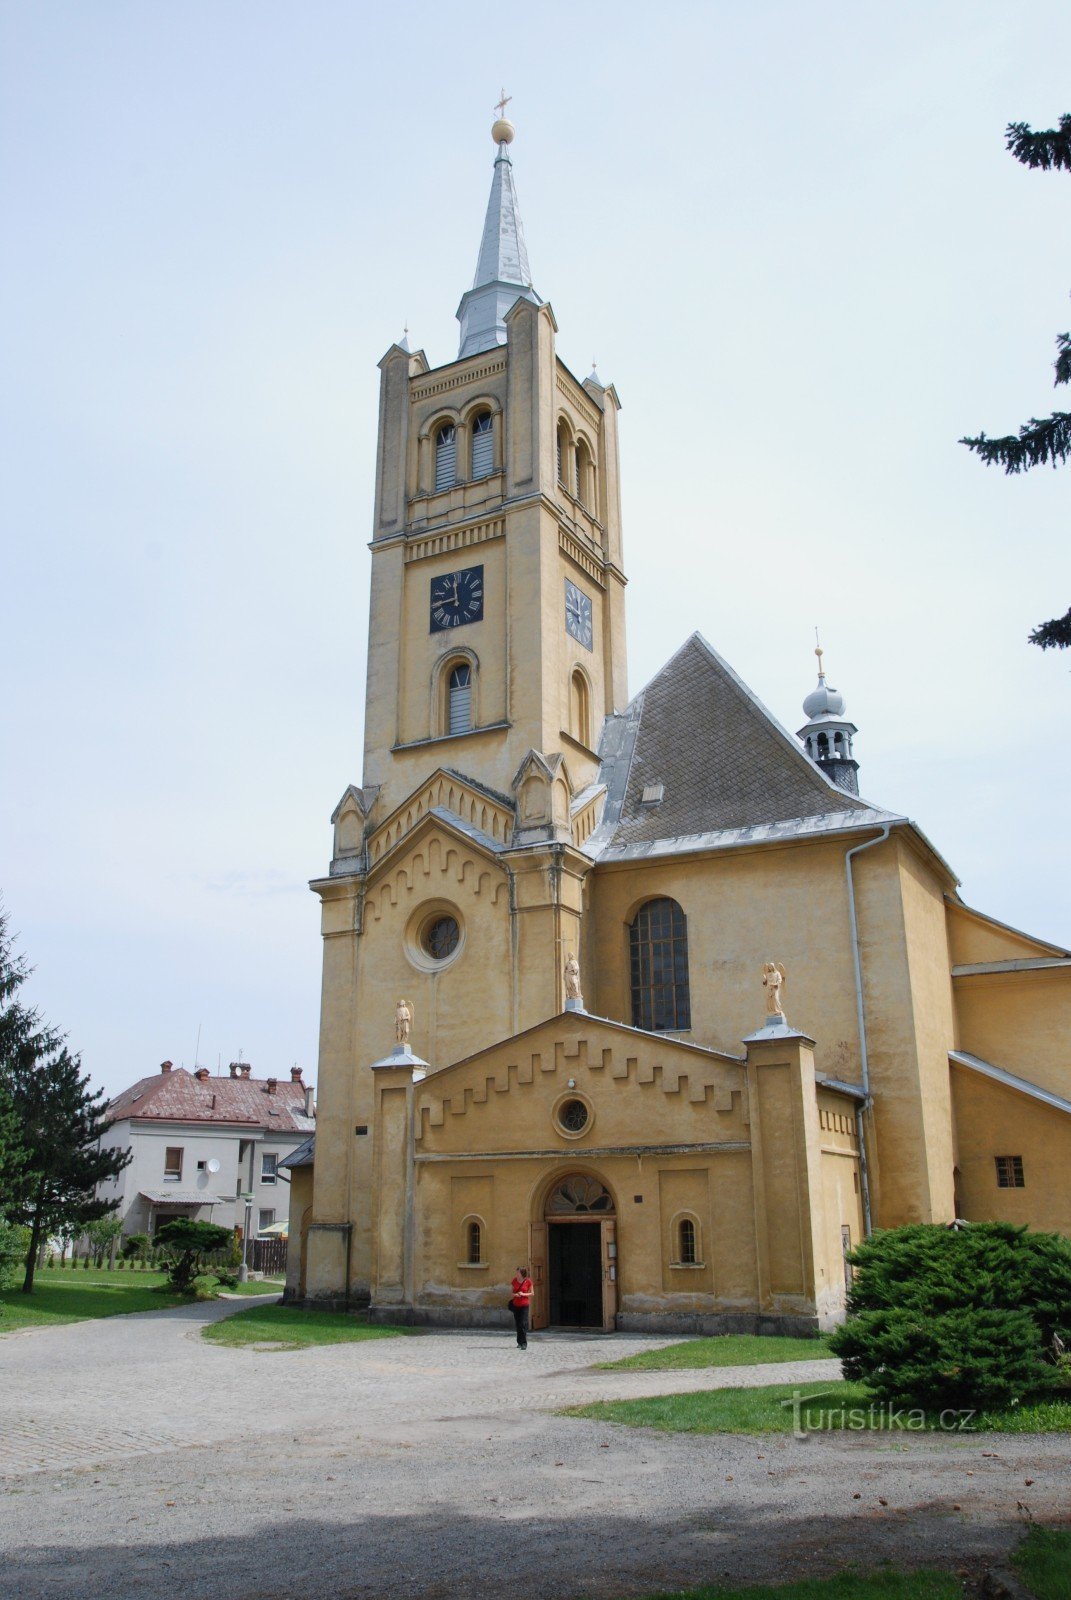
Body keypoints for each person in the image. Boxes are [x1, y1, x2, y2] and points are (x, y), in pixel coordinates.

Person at [510, 1264, 533, 1349]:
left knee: (523, 1323)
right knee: (518, 1324)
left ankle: (524, 1343)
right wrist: (516, 1294)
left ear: (522, 1273)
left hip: (524, 1305)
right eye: (516, 1272)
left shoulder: (528, 1281)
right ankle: (519, 1342)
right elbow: (511, 1293)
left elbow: (532, 1293)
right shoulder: (514, 1281)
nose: (516, 1274)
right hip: (516, 1304)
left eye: (518, 1272)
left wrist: (523, 1294)